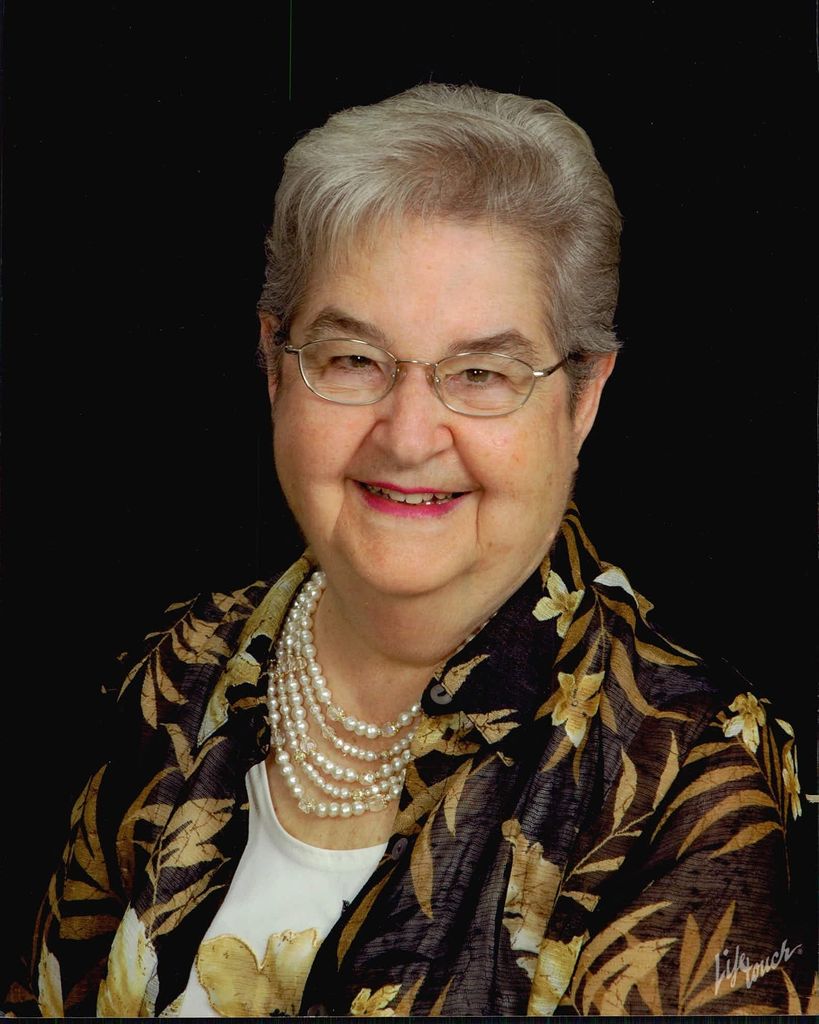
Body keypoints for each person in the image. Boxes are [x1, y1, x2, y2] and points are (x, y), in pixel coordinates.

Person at [2, 82, 815, 1018]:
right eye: (354, 360)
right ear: (275, 365)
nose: (408, 434)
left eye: (481, 373)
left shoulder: (695, 771)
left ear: (582, 396)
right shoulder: (177, 666)